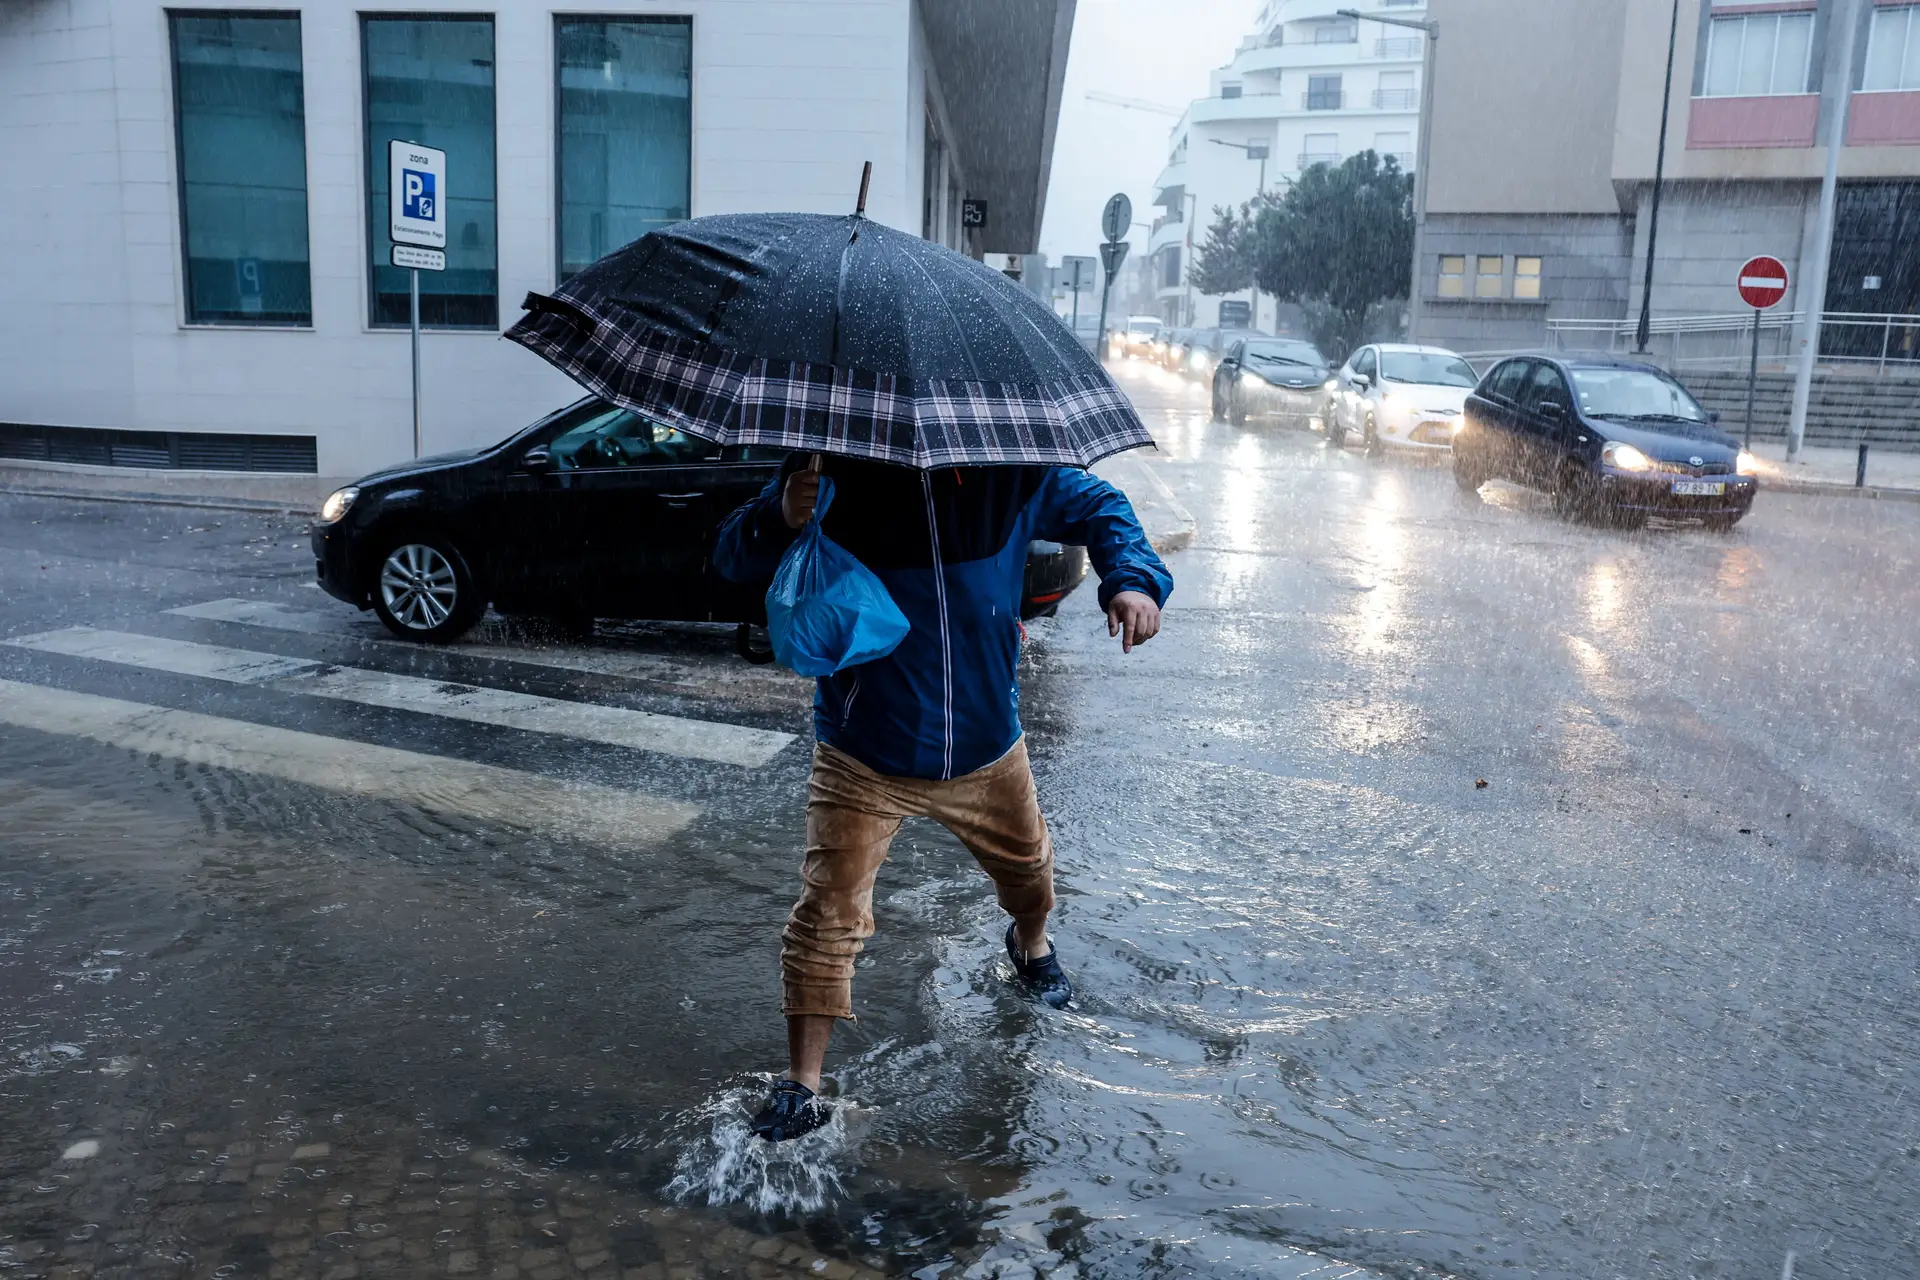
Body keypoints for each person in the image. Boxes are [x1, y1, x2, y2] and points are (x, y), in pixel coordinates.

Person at [713, 455, 1172, 1142]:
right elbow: (730, 556)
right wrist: (781, 514)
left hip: (988, 745)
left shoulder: (1010, 473)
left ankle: (1031, 942)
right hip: (863, 748)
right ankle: (801, 1086)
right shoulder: (829, 466)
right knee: (826, 918)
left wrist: (1132, 580)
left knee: (1030, 875)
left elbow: (1102, 505)